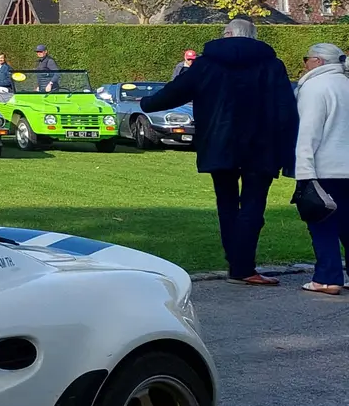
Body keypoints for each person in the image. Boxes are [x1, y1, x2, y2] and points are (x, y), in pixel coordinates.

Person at [142, 18, 298, 287]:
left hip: (219, 141)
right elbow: (286, 108)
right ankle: (243, 266)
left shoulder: (206, 64)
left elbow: (177, 91)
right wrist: (289, 149)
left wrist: (147, 103)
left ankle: (237, 265)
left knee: (227, 204)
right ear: (254, 36)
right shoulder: (271, 65)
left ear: (227, 34)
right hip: (262, 145)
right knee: (253, 205)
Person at [293, 43, 349, 295]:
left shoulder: (315, 87)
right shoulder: (346, 84)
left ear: (318, 61)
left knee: (321, 222)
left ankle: (327, 278)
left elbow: (309, 132)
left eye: (307, 58)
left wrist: (304, 172)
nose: (304, 63)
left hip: (325, 167)